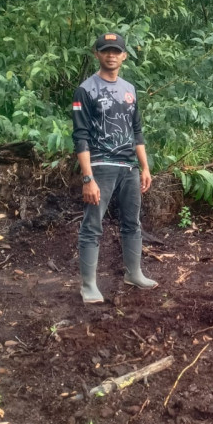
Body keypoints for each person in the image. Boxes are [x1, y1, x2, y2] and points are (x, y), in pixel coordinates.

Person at [71, 32, 157, 304]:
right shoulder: (86, 90)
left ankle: (134, 273)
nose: (111, 55)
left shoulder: (129, 89)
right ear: (97, 54)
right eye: (106, 50)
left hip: (129, 167)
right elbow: (80, 136)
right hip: (100, 165)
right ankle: (88, 285)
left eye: (116, 51)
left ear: (124, 56)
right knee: (92, 225)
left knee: (132, 222)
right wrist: (88, 178)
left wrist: (145, 167)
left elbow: (136, 131)